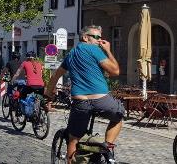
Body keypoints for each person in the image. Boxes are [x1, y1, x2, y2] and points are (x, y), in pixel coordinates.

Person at [44, 25, 124, 164]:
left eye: (101, 38)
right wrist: (108, 51)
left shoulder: (70, 54)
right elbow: (115, 71)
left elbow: (55, 77)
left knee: (73, 138)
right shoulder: (94, 50)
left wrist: (49, 95)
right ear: (85, 37)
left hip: (80, 102)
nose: (100, 41)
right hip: (101, 100)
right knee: (118, 116)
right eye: (97, 37)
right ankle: (106, 148)